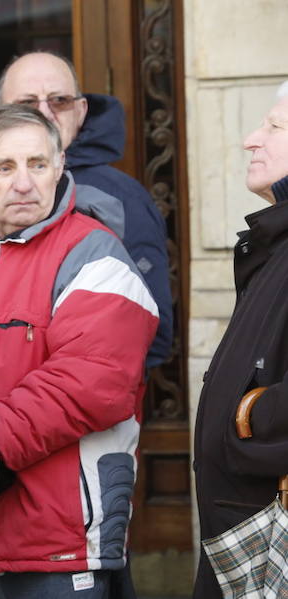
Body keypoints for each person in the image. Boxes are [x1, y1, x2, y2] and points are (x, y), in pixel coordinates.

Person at [0, 104, 158, 598]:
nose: (24, 183)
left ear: (58, 168)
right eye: (5, 167)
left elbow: (88, 385)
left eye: (37, 164)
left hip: (61, 541)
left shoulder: (97, 256)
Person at [0, 51, 173, 369]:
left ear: (80, 111)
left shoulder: (121, 199)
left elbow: (150, 330)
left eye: (59, 101)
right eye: (27, 104)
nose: (45, 114)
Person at [192, 88, 288, 599]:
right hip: (246, 525)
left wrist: (247, 420)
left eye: (274, 127)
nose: (253, 141)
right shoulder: (274, 244)